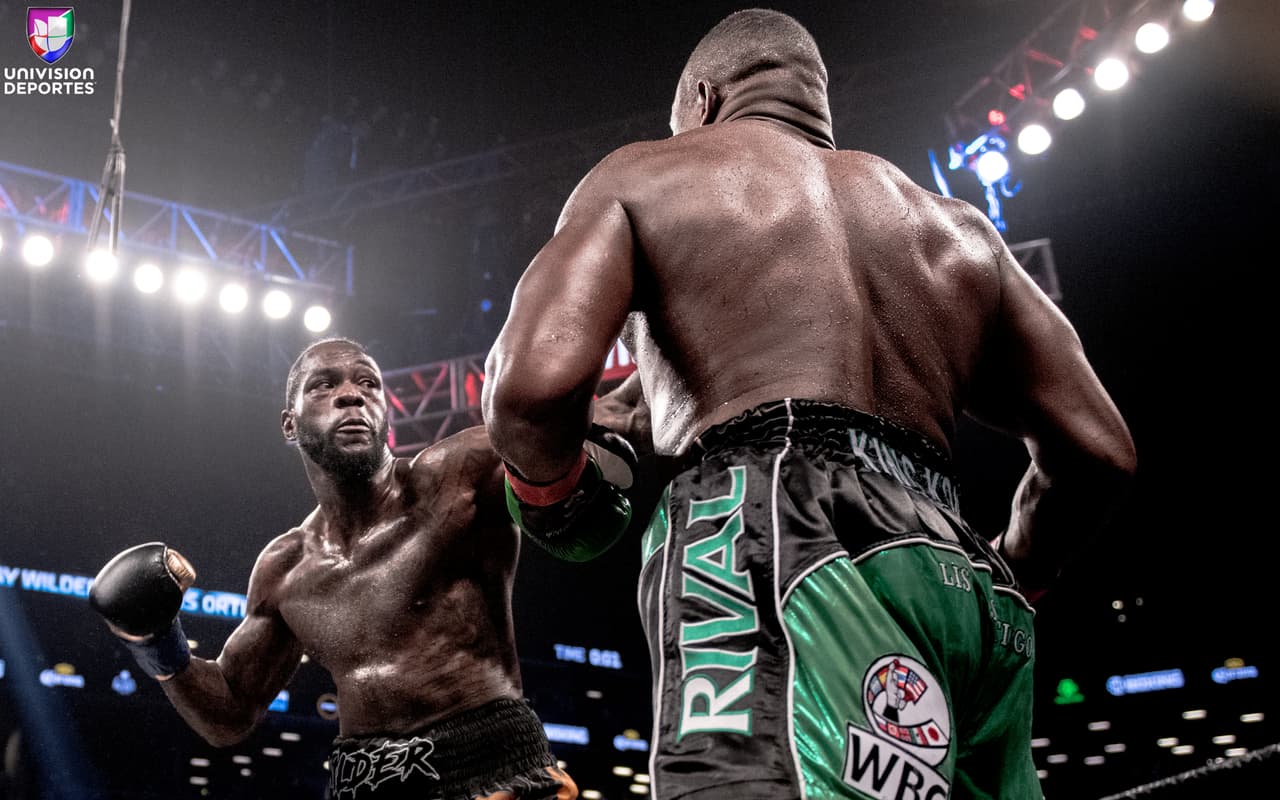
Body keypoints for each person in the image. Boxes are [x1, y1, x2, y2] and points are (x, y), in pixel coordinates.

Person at [482, 9, 1136, 800]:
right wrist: (1019, 568)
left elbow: (530, 390)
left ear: (702, 97)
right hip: (957, 568)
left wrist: (551, 491)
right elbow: (1099, 451)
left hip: (765, 524)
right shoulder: (958, 231)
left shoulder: (647, 175)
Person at [89, 338, 583, 800]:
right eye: (324, 384)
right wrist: (157, 644)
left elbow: (605, 419)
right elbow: (231, 711)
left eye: (368, 383)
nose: (351, 395)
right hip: (362, 783)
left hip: (490, 764)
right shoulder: (285, 569)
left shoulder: (460, 478)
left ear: (386, 412)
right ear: (290, 423)